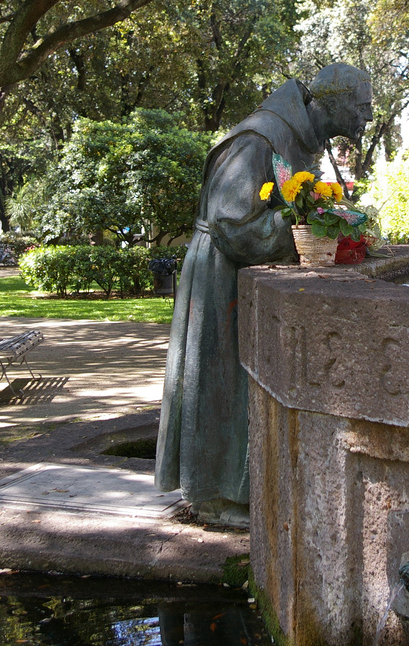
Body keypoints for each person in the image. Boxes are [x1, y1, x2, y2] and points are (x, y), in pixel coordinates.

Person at [155, 63, 373, 524]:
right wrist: (304, 228)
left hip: (238, 277)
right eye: (362, 105)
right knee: (221, 387)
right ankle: (216, 497)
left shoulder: (303, 139)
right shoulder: (261, 138)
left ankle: (238, 491)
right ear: (332, 101)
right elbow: (233, 225)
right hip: (220, 277)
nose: (367, 117)